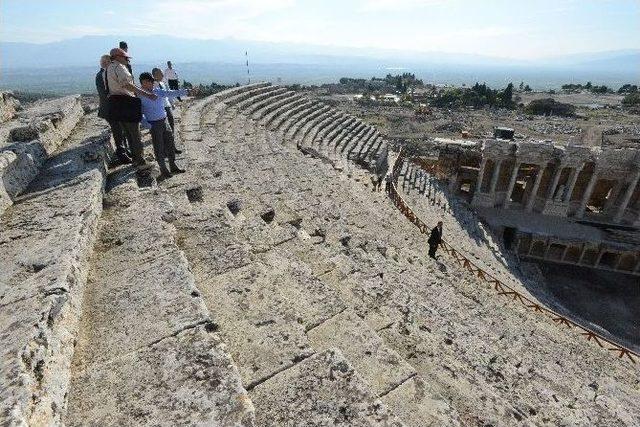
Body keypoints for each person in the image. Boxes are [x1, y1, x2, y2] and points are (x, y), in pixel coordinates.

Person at [105, 47, 157, 168]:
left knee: (128, 133)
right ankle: (140, 161)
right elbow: (127, 85)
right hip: (126, 102)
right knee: (135, 133)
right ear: (118, 57)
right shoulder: (119, 67)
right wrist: (146, 94)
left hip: (116, 104)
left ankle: (135, 159)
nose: (127, 59)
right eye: (125, 57)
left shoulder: (109, 68)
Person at [138, 72, 189, 179]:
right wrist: (148, 125)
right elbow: (139, 113)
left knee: (170, 144)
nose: (150, 84)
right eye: (147, 82)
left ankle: (173, 166)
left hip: (164, 121)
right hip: (154, 124)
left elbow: (170, 93)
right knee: (159, 148)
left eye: (150, 81)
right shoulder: (140, 96)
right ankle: (164, 170)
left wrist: (186, 91)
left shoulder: (157, 91)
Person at [96, 54, 131, 163]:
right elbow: (104, 94)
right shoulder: (101, 75)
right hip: (110, 108)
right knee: (117, 130)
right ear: (105, 63)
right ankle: (121, 154)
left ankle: (125, 150)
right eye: (110, 62)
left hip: (115, 107)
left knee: (121, 130)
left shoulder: (107, 73)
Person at [152, 68, 181, 153]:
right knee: (164, 130)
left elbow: (168, 95)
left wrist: (172, 104)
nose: (162, 75)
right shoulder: (153, 85)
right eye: (160, 73)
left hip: (167, 107)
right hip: (161, 109)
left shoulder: (162, 83)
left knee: (171, 128)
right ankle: (165, 150)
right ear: (154, 75)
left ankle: (172, 147)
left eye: (162, 73)